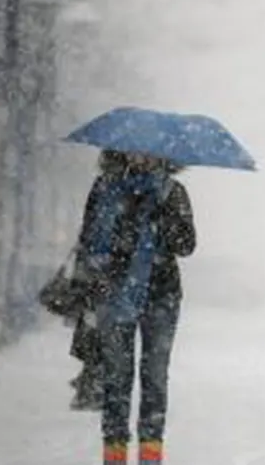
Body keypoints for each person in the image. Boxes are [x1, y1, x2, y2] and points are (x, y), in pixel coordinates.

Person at [76, 150, 196, 465]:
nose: (142, 155)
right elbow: (88, 240)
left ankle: (150, 457)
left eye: (150, 151)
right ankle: (114, 457)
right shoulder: (105, 187)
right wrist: (124, 227)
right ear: (120, 151)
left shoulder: (172, 191)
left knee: (154, 377)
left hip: (161, 296)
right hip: (114, 295)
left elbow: (187, 245)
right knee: (117, 378)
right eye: (135, 148)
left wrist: (164, 218)